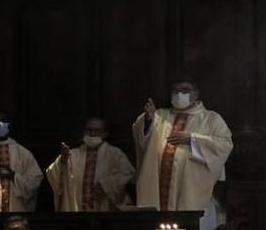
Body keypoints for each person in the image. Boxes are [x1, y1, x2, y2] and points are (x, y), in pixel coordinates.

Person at [133, 79, 233, 220]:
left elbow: (224, 144)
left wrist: (192, 139)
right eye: (176, 91)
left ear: (196, 94)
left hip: (189, 192)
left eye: (185, 90)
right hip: (157, 190)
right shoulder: (160, 115)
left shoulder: (211, 119)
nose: (180, 94)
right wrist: (148, 121)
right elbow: (142, 139)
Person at [46, 118, 135, 211]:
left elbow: (128, 175)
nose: (92, 134)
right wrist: (63, 161)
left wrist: (106, 184)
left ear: (105, 133)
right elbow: (53, 174)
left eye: (96, 131)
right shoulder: (72, 155)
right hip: (77, 212)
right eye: (89, 130)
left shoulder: (115, 154)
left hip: (105, 212)